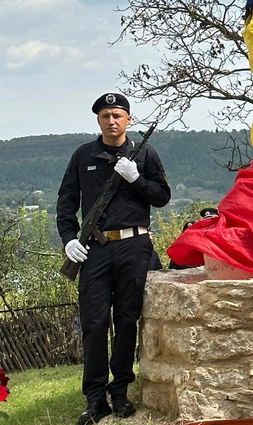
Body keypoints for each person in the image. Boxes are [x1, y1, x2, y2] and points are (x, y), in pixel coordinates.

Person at [57, 93, 171, 425]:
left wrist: (137, 179)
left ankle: (120, 393)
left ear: (128, 120)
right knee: (93, 323)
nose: (112, 121)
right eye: (106, 115)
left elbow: (161, 196)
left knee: (125, 320)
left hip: (135, 247)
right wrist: (68, 241)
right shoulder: (84, 155)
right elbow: (66, 204)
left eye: (118, 115)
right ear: (98, 120)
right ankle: (95, 399)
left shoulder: (145, 154)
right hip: (94, 249)